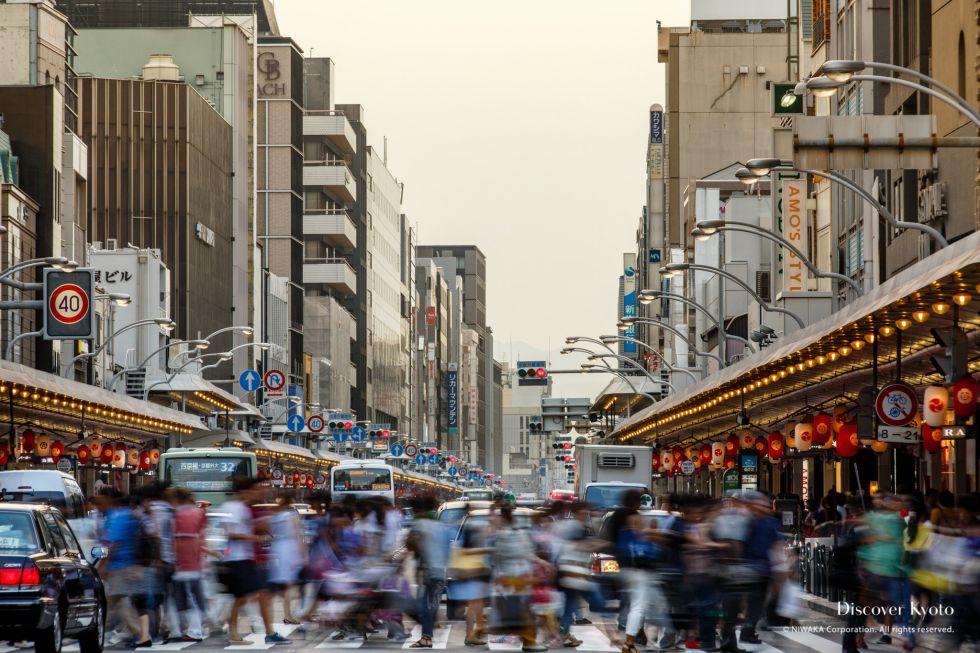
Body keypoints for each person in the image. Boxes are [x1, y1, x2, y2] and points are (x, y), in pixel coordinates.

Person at [222, 476, 292, 646]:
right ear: (243, 491)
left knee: (248, 596)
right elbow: (230, 534)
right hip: (237, 560)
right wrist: (254, 537)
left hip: (245, 559)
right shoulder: (232, 507)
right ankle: (233, 630)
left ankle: (239, 631)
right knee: (245, 597)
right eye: (253, 490)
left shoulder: (244, 508)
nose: (256, 493)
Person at [99, 489, 153, 648]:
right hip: (132, 564)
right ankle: (142, 634)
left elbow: (111, 544)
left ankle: (140, 634)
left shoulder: (119, 518)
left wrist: (103, 564)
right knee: (125, 603)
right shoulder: (134, 517)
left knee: (118, 603)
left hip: (118, 567)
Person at [491, 503, 547, 652]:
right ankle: (528, 641)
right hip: (516, 579)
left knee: (520, 612)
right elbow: (524, 554)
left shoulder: (505, 534)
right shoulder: (512, 534)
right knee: (522, 612)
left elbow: (500, 558)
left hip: (513, 579)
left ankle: (528, 641)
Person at [406, 494, 451, 649]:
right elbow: (448, 548)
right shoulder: (442, 526)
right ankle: (427, 633)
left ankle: (426, 636)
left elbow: (410, 544)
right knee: (432, 603)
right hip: (441, 570)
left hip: (428, 569)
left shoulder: (420, 524)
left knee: (423, 604)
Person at [172, 488, 212, 641]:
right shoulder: (199, 513)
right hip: (195, 559)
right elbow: (203, 535)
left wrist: (176, 560)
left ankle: (195, 630)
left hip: (183, 560)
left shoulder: (176, 514)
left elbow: (174, 540)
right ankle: (199, 625)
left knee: (188, 596)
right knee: (193, 595)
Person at [267, 492, 306, 624]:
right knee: (289, 585)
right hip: (289, 549)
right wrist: (303, 554)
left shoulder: (275, 516)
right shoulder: (292, 515)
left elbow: (271, 533)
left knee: (281, 585)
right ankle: (288, 615)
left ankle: (287, 614)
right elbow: (298, 534)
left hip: (277, 549)